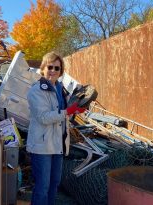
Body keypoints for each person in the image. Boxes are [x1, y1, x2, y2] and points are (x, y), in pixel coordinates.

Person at [27, 52, 86, 205]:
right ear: (43, 68)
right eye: (50, 67)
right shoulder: (36, 91)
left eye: (57, 68)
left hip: (57, 144)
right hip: (42, 146)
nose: (53, 71)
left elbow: (62, 115)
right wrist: (67, 112)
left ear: (61, 72)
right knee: (42, 186)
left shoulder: (61, 89)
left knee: (54, 183)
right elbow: (44, 117)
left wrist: (75, 110)